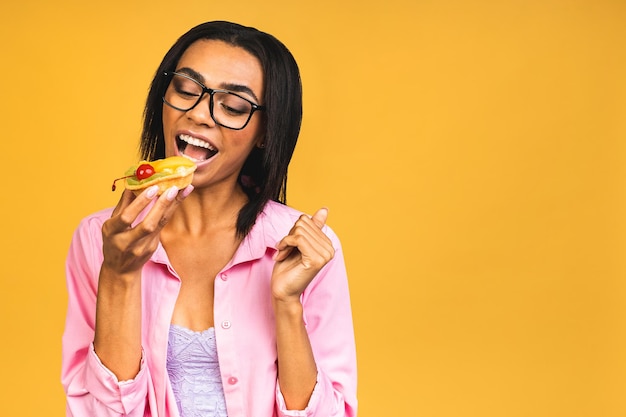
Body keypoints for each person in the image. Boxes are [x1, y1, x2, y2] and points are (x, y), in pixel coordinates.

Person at [61, 21, 357, 417]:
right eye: (185, 89)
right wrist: (119, 275)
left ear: (265, 132)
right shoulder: (101, 238)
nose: (200, 114)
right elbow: (98, 412)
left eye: (233, 107)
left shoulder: (305, 249)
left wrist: (287, 305)